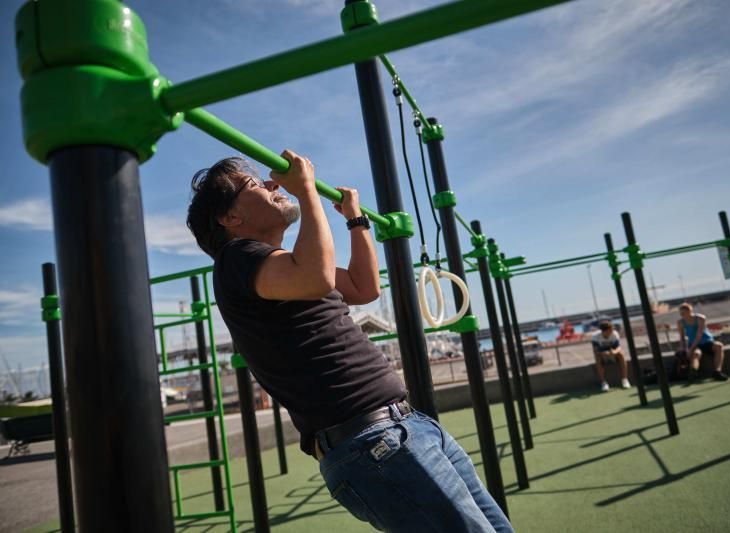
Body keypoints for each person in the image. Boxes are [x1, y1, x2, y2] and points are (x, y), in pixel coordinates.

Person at [186, 153, 512, 532]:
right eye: (255, 185)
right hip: (370, 441)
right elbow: (317, 278)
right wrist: (306, 190)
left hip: (402, 427)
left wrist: (356, 222)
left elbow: (364, 286)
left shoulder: (282, 265)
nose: (273, 185)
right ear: (230, 218)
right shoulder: (235, 260)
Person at [677, 303, 728, 383]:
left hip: (706, 342)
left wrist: (691, 349)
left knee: (719, 346)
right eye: (680, 313)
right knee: (696, 354)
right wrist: (683, 348)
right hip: (693, 343)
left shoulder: (700, 318)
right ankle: (693, 373)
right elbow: (682, 337)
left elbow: (699, 335)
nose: (682, 315)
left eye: (683, 313)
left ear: (690, 311)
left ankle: (717, 372)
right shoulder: (680, 322)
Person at [591, 321, 631, 392]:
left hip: (613, 354)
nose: (612, 331)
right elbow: (596, 351)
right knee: (597, 358)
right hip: (602, 355)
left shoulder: (614, 333)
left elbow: (618, 347)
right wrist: (604, 353)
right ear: (604, 331)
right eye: (610, 330)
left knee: (621, 354)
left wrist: (614, 352)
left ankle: (625, 380)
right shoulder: (595, 336)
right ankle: (604, 382)